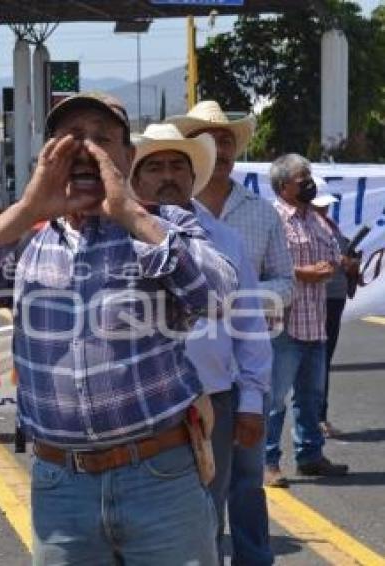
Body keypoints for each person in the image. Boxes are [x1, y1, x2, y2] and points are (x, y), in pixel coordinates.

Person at [0, 92, 237, 565]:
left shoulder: (161, 224)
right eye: (71, 140)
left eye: (101, 139)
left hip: (159, 477)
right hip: (61, 485)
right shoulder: (28, 238)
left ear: (128, 157)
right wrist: (30, 207)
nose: (86, 151)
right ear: (49, 157)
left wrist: (131, 213)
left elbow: (219, 296)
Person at [129, 123, 272, 562]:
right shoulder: (112, 239)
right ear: (135, 180)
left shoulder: (224, 240)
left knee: (208, 518)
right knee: (140, 524)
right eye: (154, 167)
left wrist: (250, 400)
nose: (167, 176)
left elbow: (249, 323)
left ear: (194, 178)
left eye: (178, 166)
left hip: (213, 402)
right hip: (137, 408)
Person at [166, 99, 292, 565]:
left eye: (225, 140)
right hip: (185, 385)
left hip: (242, 371)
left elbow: (283, 279)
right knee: (192, 502)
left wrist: (253, 297)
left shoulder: (257, 215)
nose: (217, 148)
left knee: (244, 481)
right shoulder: (149, 221)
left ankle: (252, 558)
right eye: (206, 140)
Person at [266, 153, 349, 486]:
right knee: (274, 398)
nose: (309, 184)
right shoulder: (273, 219)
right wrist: (303, 273)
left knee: (311, 396)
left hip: (315, 322)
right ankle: (267, 462)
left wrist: (334, 265)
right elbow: (267, 266)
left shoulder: (315, 219)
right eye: (303, 179)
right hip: (285, 324)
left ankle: (310, 456)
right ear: (283, 185)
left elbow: (331, 254)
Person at [311, 192, 359, 438]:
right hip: (315, 300)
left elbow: (347, 269)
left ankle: (319, 417)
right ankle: (313, 418)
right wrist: (338, 261)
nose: (325, 210)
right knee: (314, 362)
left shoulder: (333, 228)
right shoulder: (305, 228)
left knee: (323, 360)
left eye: (327, 206)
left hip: (334, 300)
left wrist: (351, 266)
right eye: (321, 206)